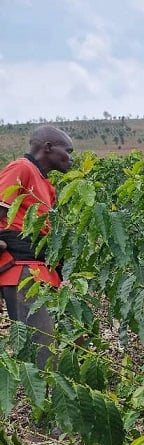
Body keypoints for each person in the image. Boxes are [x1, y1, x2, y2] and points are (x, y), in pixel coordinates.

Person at [0, 125, 73, 370]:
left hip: (43, 269)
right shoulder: (22, 168)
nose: (70, 158)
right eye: (68, 150)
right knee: (42, 344)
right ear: (48, 147)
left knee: (61, 338)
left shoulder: (47, 185)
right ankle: (45, 404)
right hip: (22, 270)